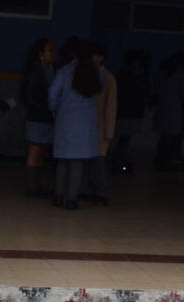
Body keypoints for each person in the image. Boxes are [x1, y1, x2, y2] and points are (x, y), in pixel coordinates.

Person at [49, 43, 102, 210]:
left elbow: (53, 93)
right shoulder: (95, 73)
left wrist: (55, 109)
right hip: (86, 124)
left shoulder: (64, 71)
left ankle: (58, 195)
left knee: (63, 160)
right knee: (78, 162)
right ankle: (71, 199)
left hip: (65, 121)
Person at [22, 39, 56, 198]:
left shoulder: (52, 69)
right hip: (37, 117)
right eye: (49, 50)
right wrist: (42, 109)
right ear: (41, 54)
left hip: (48, 117)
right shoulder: (35, 71)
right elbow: (28, 96)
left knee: (41, 153)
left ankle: (37, 184)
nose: (52, 54)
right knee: (34, 152)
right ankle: (31, 187)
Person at [87, 43, 117, 205]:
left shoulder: (108, 78)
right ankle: (90, 190)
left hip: (100, 126)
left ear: (101, 57)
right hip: (89, 126)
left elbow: (111, 106)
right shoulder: (86, 74)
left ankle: (100, 192)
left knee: (99, 161)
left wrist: (109, 131)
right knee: (90, 161)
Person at [112, 50, 150, 173]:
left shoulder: (125, 74)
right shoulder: (129, 74)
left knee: (124, 138)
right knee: (124, 138)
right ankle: (118, 160)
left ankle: (118, 159)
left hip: (129, 110)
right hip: (128, 110)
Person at [153, 53, 184, 172]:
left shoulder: (160, 74)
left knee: (163, 138)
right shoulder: (181, 76)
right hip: (175, 111)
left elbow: (155, 91)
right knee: (170, 138)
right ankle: (166, 162)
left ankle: (160, 160)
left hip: (162, 109)